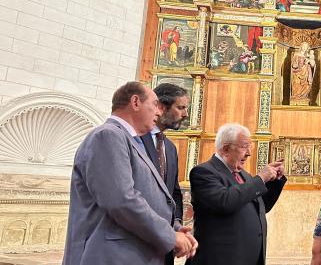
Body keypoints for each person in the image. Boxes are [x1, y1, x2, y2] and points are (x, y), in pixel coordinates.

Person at [63, 82, 196, 265]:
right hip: (110, 255)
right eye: (154, 105)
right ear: (135, 102)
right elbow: (121, 200)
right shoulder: (108, 135)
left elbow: (148, 197)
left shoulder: (133, 142)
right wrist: (170, 236)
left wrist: (174, 228)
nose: (158, 112)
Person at [186, 123, 285, 265]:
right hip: (220, 259)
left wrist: (276, 181)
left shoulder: (244, 175)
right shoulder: (204, 172)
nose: (249, 153)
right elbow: (225, 202)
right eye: (244, 146)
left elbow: (261, 207)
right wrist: (261, 178)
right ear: (226, 149)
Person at [139, 83, 189, 265]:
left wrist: (176, 224)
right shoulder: (134, 141)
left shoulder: (170, 148)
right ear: (161, 106)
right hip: (138, 243)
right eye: (181, 107)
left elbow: (173, 193)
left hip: (164, 248)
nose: (185, 114)